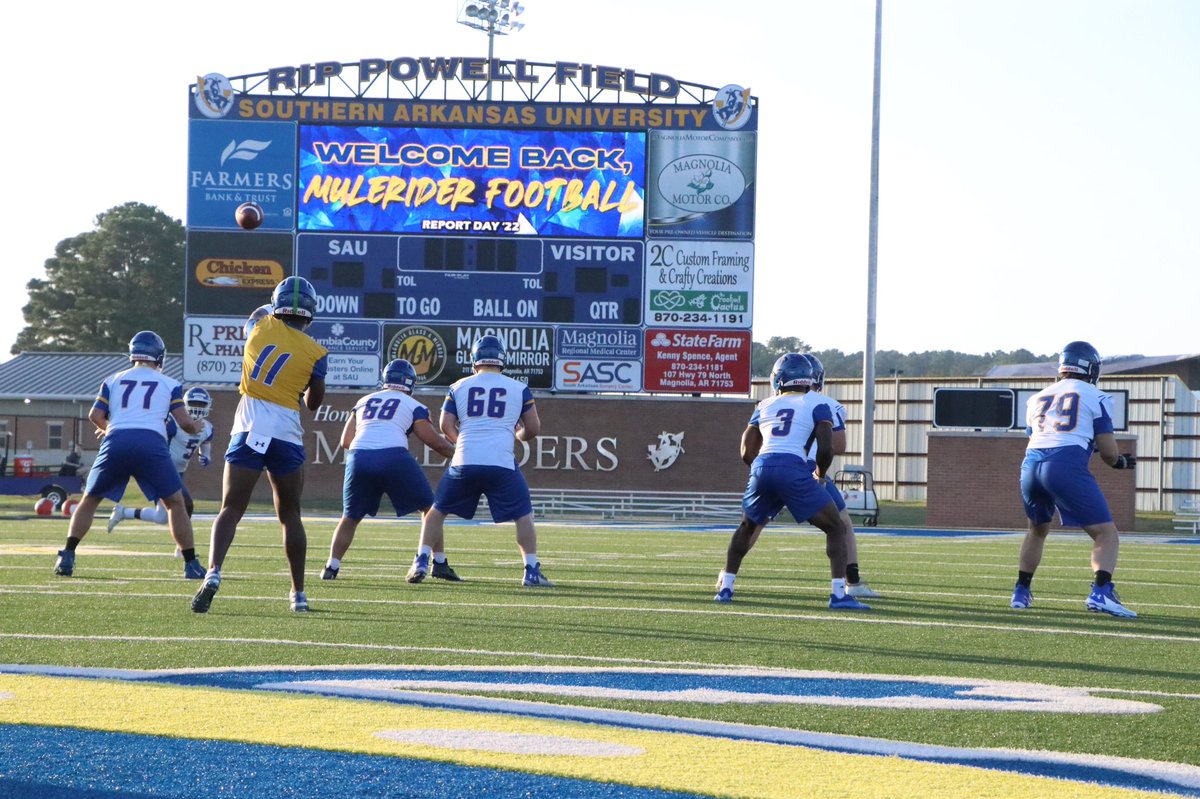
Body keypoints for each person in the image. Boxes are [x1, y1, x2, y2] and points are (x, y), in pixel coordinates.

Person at [191, 277, 328, 614]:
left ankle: (213, 572)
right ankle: (298, 594)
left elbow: (259, 312)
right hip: (285, 434)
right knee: (290, 515)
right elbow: (313, 403)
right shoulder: (317, 353)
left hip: (249, 427)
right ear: (311, 311)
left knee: (230, 509)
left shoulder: (258, 327)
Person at [714, 353, 868, 609]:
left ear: (778, 379)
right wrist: (819, 473)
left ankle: (726, 587)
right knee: (837, 527)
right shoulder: (820, 403)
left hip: (763, 465)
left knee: (748, 526)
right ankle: (840, 593)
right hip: (797, 469)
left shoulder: (764, 404)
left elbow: (746, 449)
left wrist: (759, 472)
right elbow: (830, 447)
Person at [52, 331, 206, 580]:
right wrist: (195, 427)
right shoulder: (169, 383)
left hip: (117, 441)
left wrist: (110, 429)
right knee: (175, 503)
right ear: (159, 356)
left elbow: (95, 416)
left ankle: (67, 555)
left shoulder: (113, 380)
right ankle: (190, 564)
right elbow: (185, 423)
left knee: (90, 500)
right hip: (150, 445)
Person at [406, 334, 550, 587]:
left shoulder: (459, 386)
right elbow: (533, 429)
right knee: (523, 515)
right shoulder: (518, 388)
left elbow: (445, 425)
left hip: (465, 458)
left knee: (438, 510)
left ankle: (421, 559)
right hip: (501, 461)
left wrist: (461, 440)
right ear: (502, 359)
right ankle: (530, 569)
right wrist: (517, 433)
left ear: (474, 360)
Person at [1011, 340, 1138, 618]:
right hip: (1064, 464)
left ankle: (1021, 591)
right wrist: (1119, 462)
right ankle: (1101, 592)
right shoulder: (1097, 396)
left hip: (1031, 465)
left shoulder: (1037, 397)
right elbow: (1107, 451)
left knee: (1036, 530)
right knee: (1106, 533)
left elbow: (1036, 435)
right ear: (1091, 368)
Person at [321, 359, 454, 580]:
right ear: (410, 382)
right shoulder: (413, 405)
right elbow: (434, 442)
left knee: (350, 516)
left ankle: (331, 567)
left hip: (358, 457)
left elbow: (346, 441)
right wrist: (458, 454)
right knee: (431, 509)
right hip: (392, 456)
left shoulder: (364, 401)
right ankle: (437, 562)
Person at [802, 354, 879, 599]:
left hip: (774, 468)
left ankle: (728, 577)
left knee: (753, 524)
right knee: (842, 524)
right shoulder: (828, 404)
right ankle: (851, 583)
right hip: (811, 470)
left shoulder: (770, 404)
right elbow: (839, 445)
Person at [107, 387, 215, 540]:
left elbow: (205, 444)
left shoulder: (208, 428)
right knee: (187, 505)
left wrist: (205, 456)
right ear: (185, 404)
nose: (197, 407)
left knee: (162, 517)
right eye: (193, 402)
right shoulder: (173, 422)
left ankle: (124, 512)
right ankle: (183, 547)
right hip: (163, 469)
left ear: (208, 406)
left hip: (179, 472)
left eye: (201, 404)